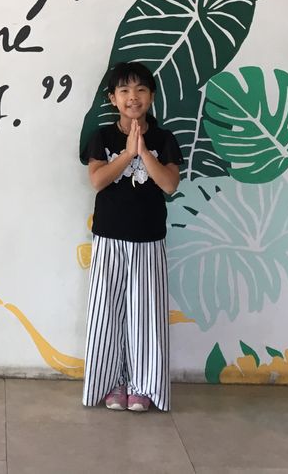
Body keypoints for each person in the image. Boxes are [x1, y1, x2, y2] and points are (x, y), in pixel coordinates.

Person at [81, 61, 181, 412]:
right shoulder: (102, 138)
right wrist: (126, 153)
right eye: (124, 90)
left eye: (140, 90)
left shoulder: (164, 139)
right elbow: (97, 180)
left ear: (151, 96)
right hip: (108, 238)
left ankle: (143, 386)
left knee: (146, 317)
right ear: (113, 98)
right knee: (106, 314)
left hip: (149, 239)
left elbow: (169, 184)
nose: (132, 97)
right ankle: (112, 383)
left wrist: (144, 152)